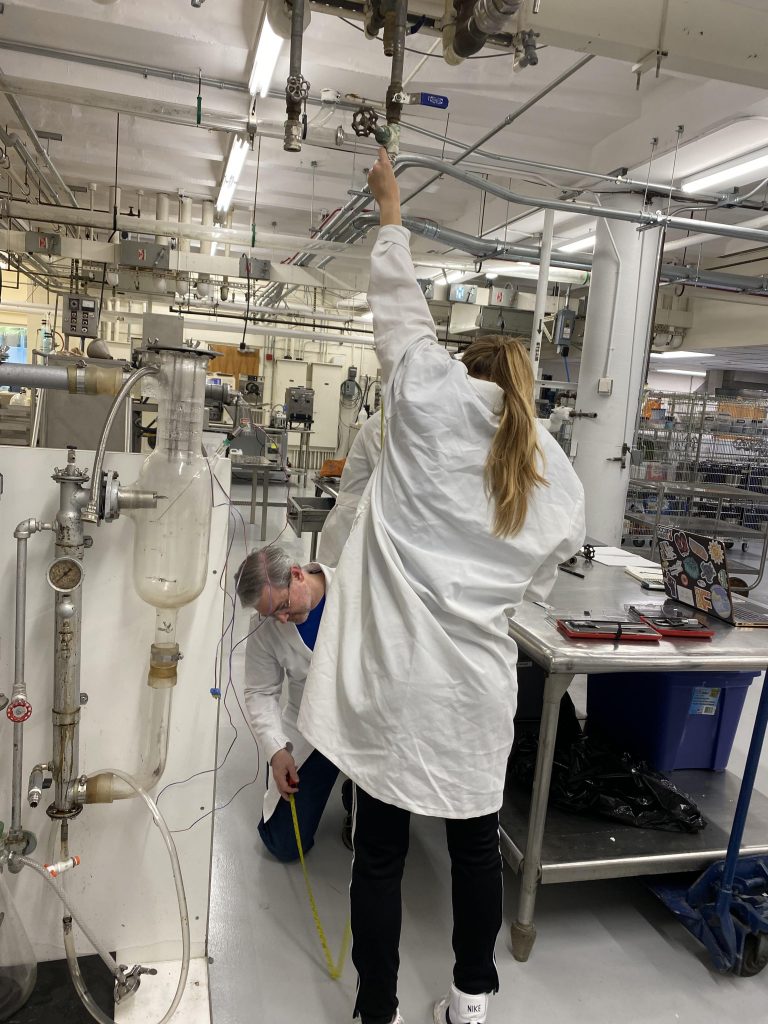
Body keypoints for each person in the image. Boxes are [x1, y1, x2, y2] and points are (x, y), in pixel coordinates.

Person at [298, 148, 585, 1024]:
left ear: (466, 373)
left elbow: (400, 320)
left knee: (378, 856)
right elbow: (549, 560)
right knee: (470, 854)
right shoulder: (546, 474)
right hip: (472, 696)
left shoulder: (427, 410)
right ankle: (472, 1001)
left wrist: (391, 210)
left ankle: (376, 1008)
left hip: (394, 686)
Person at [236, 546, 352, 862]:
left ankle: (354, 792)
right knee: (283, 842)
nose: (282, 619)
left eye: (284, 606)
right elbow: (260, 691)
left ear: (297, 574)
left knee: (381, 838)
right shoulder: (266, 626)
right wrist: (276, 751)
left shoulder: (352, 589)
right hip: (312, 722)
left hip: (365, 719)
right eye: (272, 614)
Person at [317, 408, 383, 567]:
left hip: (366, 519)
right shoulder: (383, 424)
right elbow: (389, 483)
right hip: (352, 522)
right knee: (339, 584)